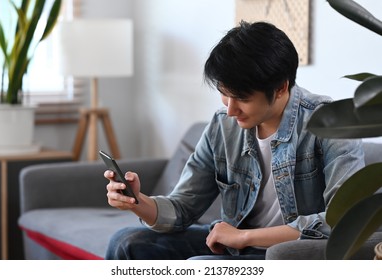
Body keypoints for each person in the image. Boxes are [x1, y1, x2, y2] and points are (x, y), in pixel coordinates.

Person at [104, 21, 364, 260]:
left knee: (201, 264)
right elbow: (183, 207)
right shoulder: (223, 126)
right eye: (224, 94)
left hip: (288, 253)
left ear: (281, 87)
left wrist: (244, 237)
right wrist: (137, 201)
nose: (230, 110)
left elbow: (343, 219)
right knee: (126, 242)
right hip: (235, 245)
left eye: (241, 97)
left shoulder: (334, 123)